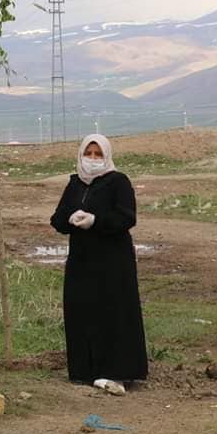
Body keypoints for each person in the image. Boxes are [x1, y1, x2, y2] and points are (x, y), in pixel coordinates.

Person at [50, 134, 148, 396]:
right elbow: (57, 219)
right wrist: (70, 218)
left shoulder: (118, 181)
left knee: (114, 311)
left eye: (98, 155)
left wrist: (96, 220)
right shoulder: (74, 184)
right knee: (82, 310)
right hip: (81, 260)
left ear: (107, 156)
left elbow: (127, 217)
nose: (92, 159)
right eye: (88, 154)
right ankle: (85, 369)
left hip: (113, 260)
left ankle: (119, 370)